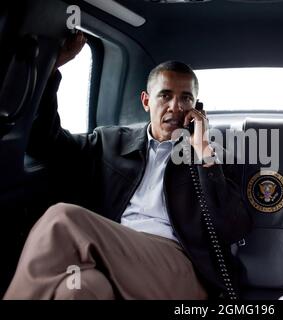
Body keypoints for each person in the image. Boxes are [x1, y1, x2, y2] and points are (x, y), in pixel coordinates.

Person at [3, 32, 251, 300]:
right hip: (114, 255)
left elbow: (231, 227)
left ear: (197, 106)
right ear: (146, 101)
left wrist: (203, 151)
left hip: (180, 269)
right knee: (77, 289)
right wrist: (50, 72)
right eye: (165, 96)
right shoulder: (110, 142)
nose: (175, 107)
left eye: (186, 99)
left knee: (62, 219)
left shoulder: (213, 157)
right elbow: (45, 144)